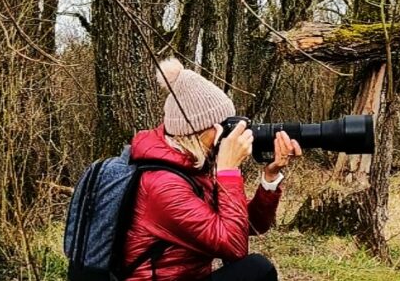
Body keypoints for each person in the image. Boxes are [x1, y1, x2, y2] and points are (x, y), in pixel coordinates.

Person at [123, 58, 302, 281]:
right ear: (201, 130)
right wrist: (228, 171)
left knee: (255, 269)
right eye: (224, 125)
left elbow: (251, 226)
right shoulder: (163, 184)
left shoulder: (189, 166)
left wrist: (270, 177)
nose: (229, 134)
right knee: (256, 268)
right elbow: (234, 248)